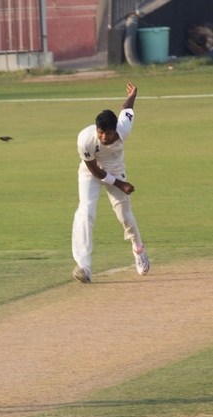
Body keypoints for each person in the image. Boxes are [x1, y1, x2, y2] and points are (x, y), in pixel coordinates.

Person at [72, 82, 148, 283]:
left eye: (109, 133)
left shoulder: (124, 129)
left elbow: (126, 109)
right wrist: (120, 185)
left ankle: (138, 248)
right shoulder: (85, 140)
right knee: (86, 211)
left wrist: (133, 95)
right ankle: (84, 266)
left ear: (116, 129)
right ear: (96, 129)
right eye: (101, 132)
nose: (105, 137)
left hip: (115, 168)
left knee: (125, 216)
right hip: (92, 170)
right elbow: (95, 170)